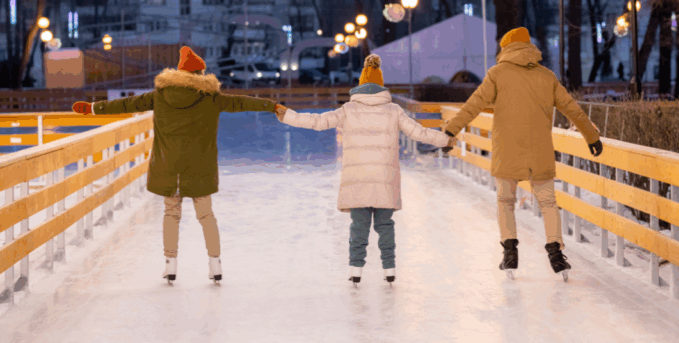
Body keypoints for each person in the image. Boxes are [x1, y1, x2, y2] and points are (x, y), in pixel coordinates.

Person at [72, 46, 281, 285]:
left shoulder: (159, 96)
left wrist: (92, 108)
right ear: (201, 74)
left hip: (168, 166)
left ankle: (170, 266)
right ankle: (215, 264)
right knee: (206, 215)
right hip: (200, 167)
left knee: (171, 214)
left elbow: (126, 104)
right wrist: (271, 105)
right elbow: (242, 103)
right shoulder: (211, 98)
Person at [275, 54, 457, 285]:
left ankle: (355, 270)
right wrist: (445, 140)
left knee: (359, 227)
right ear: (381, 87)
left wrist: (288, 115)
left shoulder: (348, 110)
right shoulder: (393, 111)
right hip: (384, 178)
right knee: (385, 226)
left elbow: (317, 122)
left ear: (360, 86)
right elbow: (419, 133)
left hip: (357, 179)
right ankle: (389, 269)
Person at [443, 27, 602, 281]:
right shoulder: (546, 76)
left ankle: (509, 252)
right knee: (548, 203)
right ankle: (556, 252)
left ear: (506, 49)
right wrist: (591, 137)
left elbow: (474, 105)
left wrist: (450, 130)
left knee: (505, 202)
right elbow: (571, 108)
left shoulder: (497, 74)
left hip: (507, 151)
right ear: (530, 48)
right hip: (540, 152)